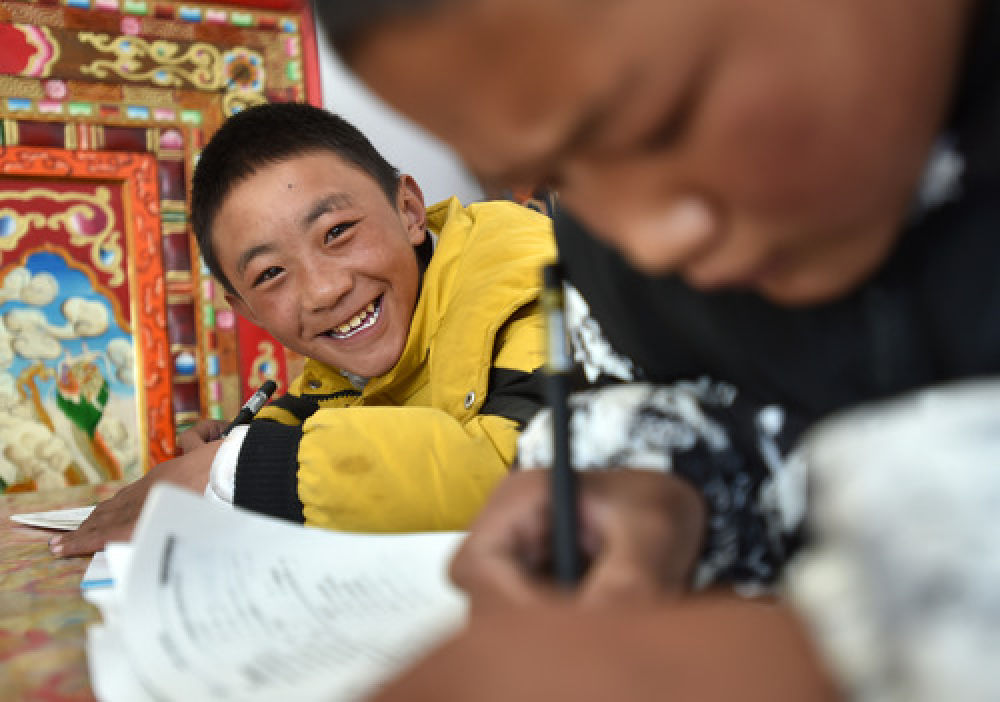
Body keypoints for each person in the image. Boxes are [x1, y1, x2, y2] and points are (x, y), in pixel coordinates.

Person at [311, 0, 1000, 698]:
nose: (649, 244)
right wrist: (666, 484)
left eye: (660, 127)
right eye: (556, 177)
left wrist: (815, 659)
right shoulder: (612, 256)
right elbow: (699, 402)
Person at [51, 102, 555, 556]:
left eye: (338, 232)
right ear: (246, 310)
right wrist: (237, 441)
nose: (324, 291)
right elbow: (320, 418)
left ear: (408, 211)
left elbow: (530, 477)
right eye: (271, 273)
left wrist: (230, 469)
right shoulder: (342, 372)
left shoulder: (530, 279)